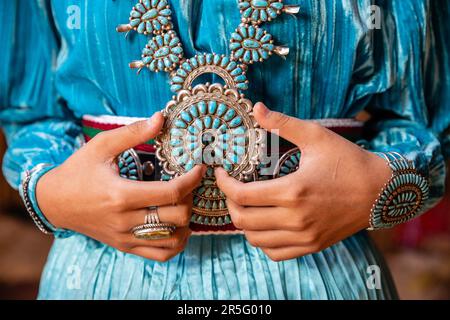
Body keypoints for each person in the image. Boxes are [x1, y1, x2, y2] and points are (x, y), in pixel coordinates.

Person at [0, 0, 448, 299]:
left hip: (319, 268)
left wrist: (379, 186)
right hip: (103, 268)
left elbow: (423, 119)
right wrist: (51, 194)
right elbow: (30, 113)